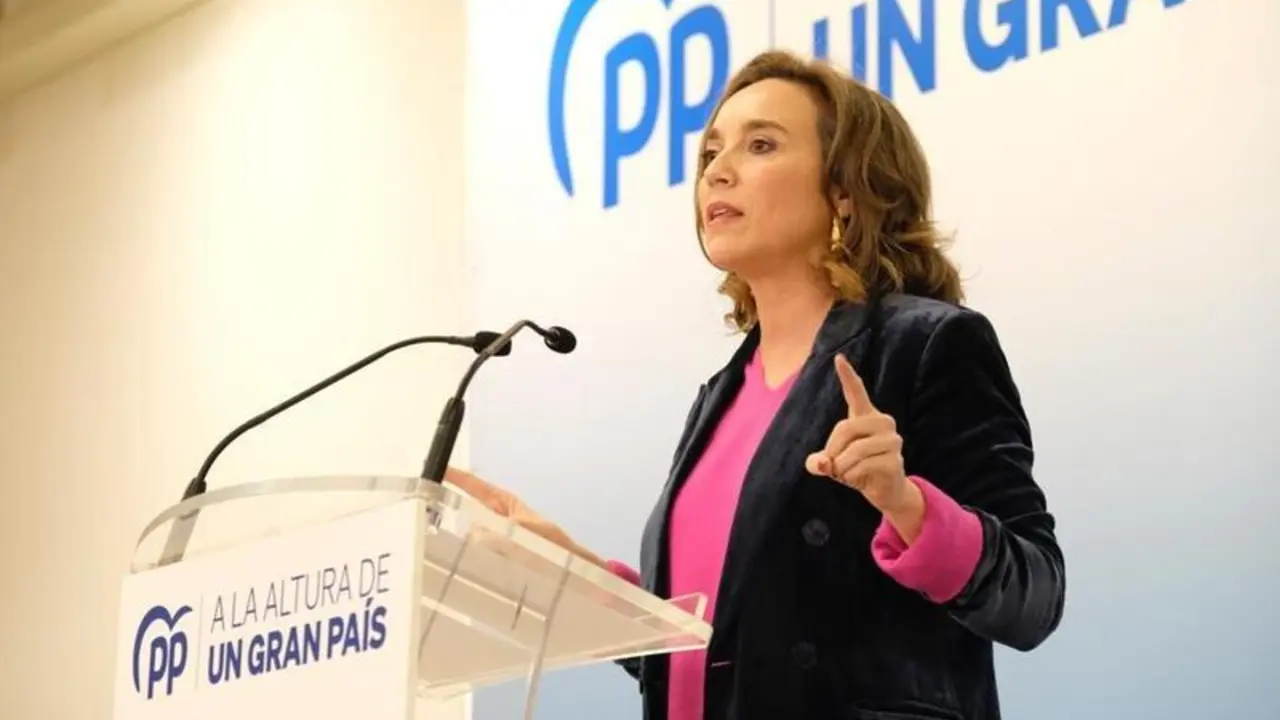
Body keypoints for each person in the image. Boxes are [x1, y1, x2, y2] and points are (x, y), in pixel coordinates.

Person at [447, 49, 1065, 720]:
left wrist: (907, 505)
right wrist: (567, 570)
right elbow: (714, 652)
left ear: (845, 190)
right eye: (712, 152)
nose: (718, 170)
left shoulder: (926, 345)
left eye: (761, 144)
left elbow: (1034, 594)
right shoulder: (720, 396)